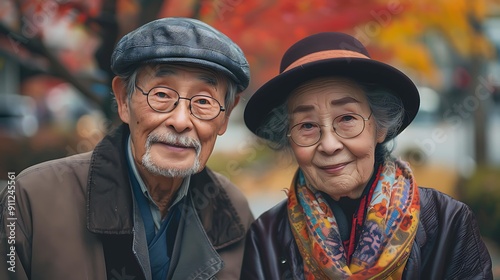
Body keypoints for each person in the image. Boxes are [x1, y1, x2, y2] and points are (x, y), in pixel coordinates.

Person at [0, 17, 254, 280]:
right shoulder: (31, 198)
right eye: (162, 95)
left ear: (225, 116)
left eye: (203, 101)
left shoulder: (233, 211)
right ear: (123, 100)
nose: (180, 121)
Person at [240, 32, 493, 279]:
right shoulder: (267, 235)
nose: (329, 145)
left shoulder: (448, 221)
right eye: (307, 126)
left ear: (379, 127)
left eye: (347, 118)